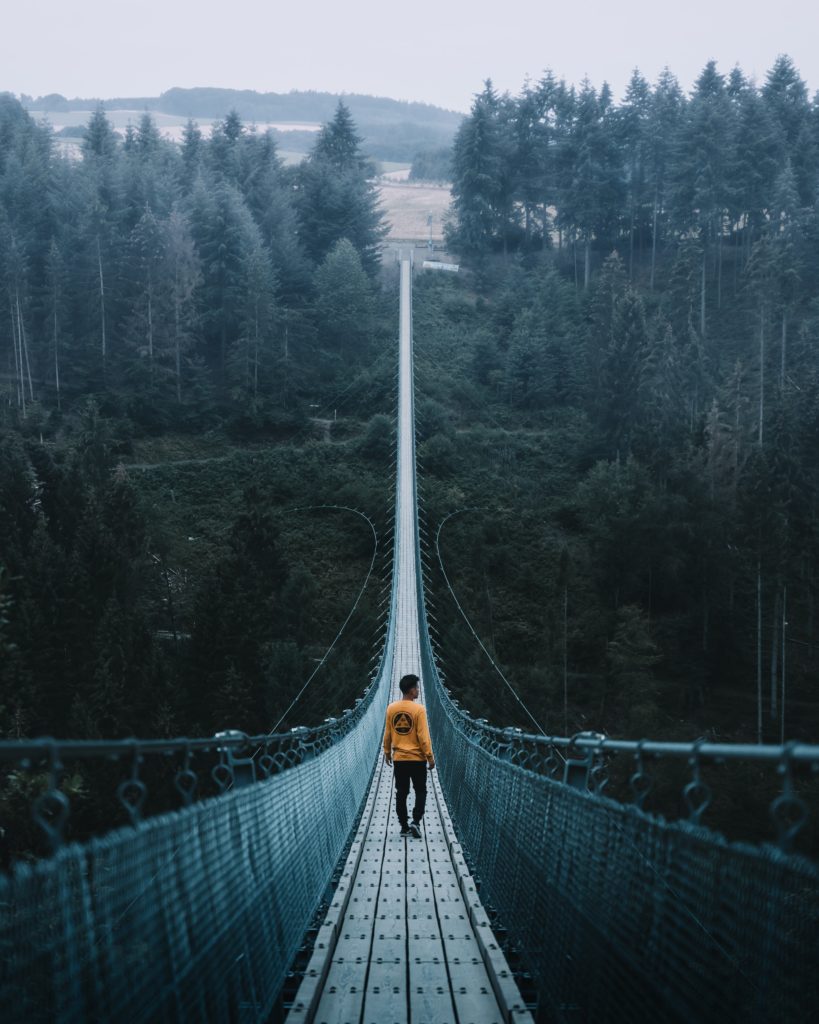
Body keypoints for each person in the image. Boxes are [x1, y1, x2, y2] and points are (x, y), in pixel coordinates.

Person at [383, 673, 435, 838]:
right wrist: (430, 757)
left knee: (401, 792)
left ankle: (404, 826)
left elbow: (388, 733)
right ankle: (416, 821)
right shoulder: (419, 710)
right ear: (412, 690)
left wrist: (386, 752)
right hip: (417, 759)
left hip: (400, 759)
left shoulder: (391, 708)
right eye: (417, 688)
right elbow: (423, 737)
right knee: (420, 791)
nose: (418, 690)